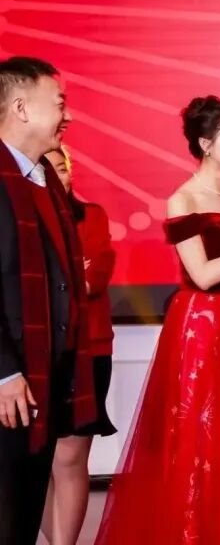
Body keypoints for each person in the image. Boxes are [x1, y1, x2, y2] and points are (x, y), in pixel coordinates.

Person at [93, 95, 220, 544]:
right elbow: (203, 275)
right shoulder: (182, 199)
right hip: (202, 325)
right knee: (197, 435)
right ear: (205, 144)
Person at [0, 56, 98, 545]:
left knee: (21, 519)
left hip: (42, 384)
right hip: (8, 384)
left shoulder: (43, 178)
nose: (69, 115)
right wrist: (3, 372)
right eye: (59, 104)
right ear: (20, 108)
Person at [40, 147, 117, 545]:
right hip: (36, 354)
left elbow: (93, 278)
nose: (59, 176)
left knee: (69, 458)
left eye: (63, 168)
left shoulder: (93, 217)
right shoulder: (20, 220)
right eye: (48, 168)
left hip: (88, 350)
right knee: (36, 462)